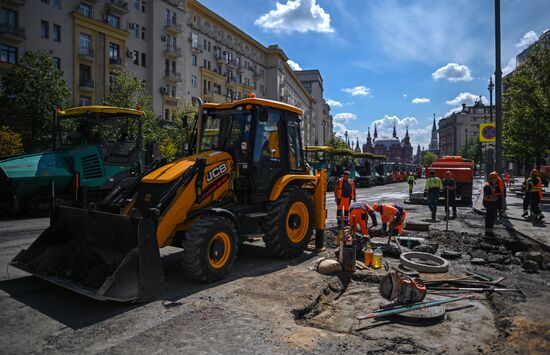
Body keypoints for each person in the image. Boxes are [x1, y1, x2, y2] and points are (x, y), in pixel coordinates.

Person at [483, 172, 502, 237]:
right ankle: (488, 233)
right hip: (489, 204)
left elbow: (499, 192)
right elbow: (487, 197)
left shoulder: (495, 185)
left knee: (492, 217)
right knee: (489, 218)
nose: (497, 180)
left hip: (493, 204)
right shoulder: (487, 186)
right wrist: (495, 196)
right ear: (492, 179)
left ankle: (490, 231)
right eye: (496, 178)